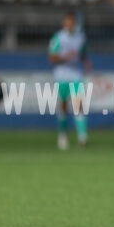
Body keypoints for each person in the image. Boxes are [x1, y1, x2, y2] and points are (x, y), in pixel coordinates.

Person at [47, 11, 91, 150]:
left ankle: (82, 137)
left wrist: (85, 62)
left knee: (78, 105)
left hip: (75, 75)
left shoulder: (81, 38)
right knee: (64, 107)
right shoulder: (58, 38)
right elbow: (52, 58)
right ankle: (63, 135)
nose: (70, 24)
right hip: (61, 75)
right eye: (68, 21)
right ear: (64, 23)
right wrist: (65, 57)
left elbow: (82, 53)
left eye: (72, 21)